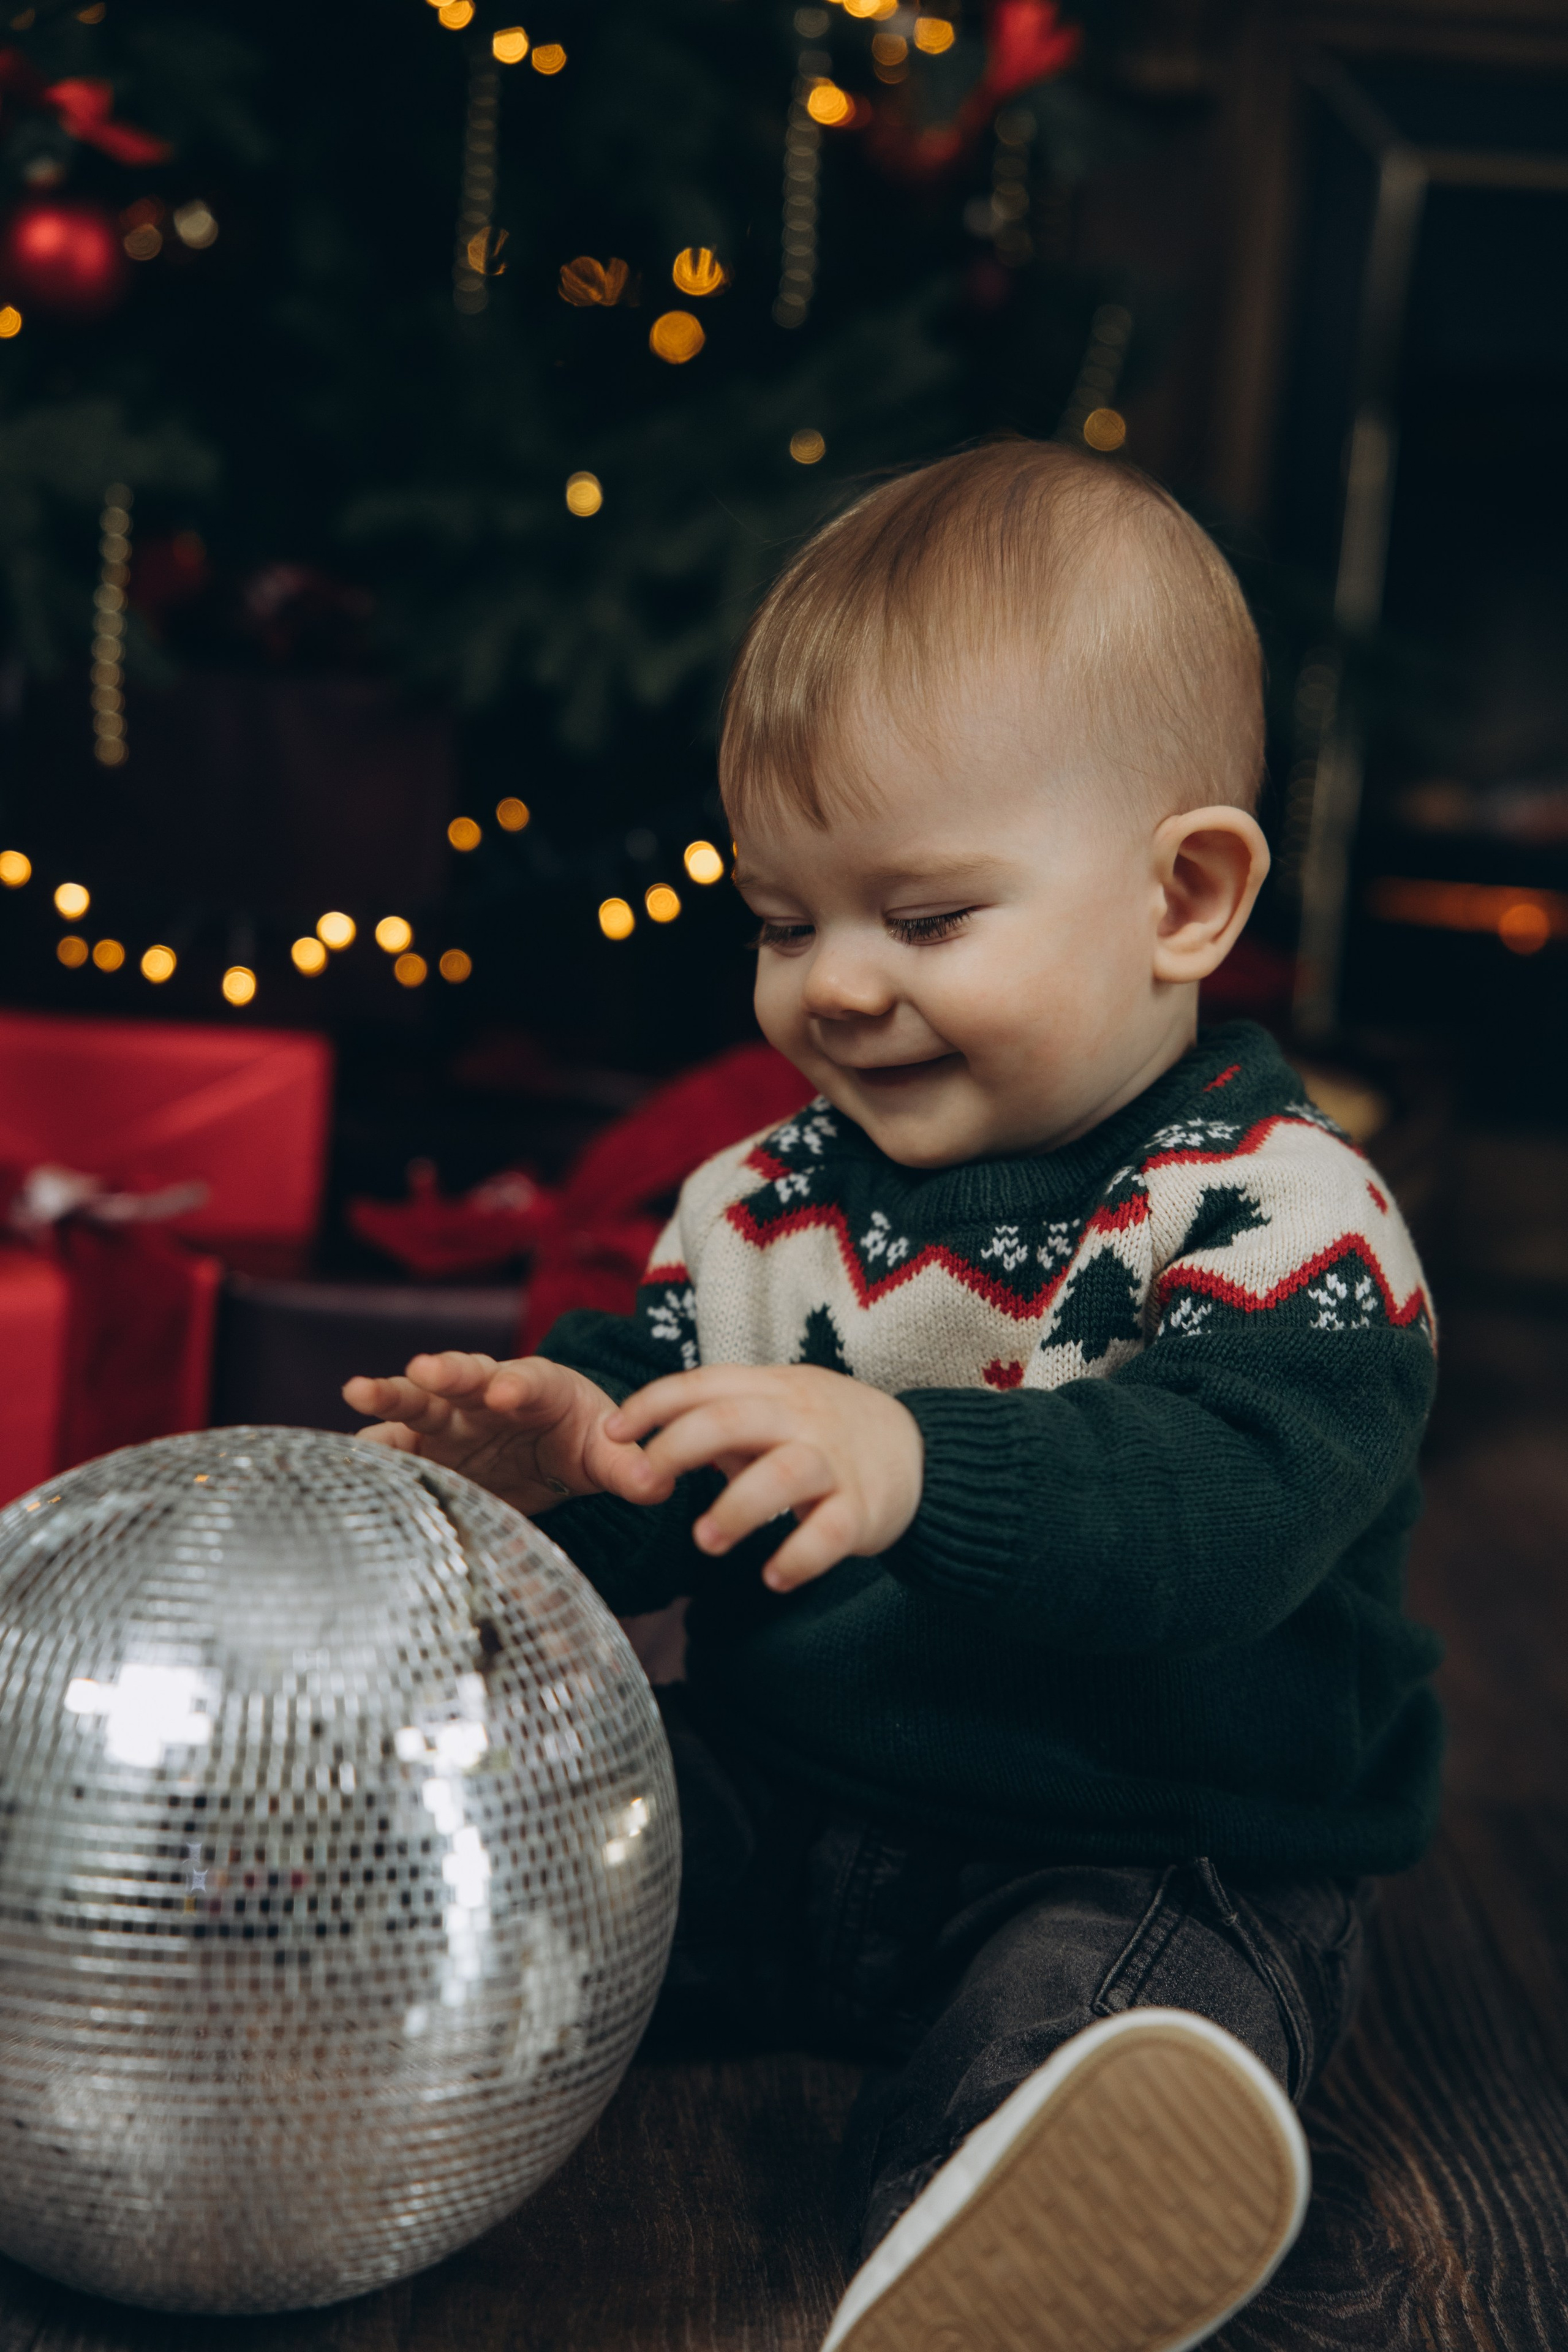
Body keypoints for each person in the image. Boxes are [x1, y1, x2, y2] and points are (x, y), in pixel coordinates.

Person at [345, 439, 1441, 2352]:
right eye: (787, 924)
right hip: (796, 1805)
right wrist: (569, 1462)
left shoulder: (1289, 1219)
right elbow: (692, 1447)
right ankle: (316, 2042)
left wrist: (919, 1461)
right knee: (525, 1847)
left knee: (1101, 2022)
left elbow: (1220, 1514)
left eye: (925, 921)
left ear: (1185, 895)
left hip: (1147, 1834)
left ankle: (1017, 2233)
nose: (835, 989)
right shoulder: (760, 1200)